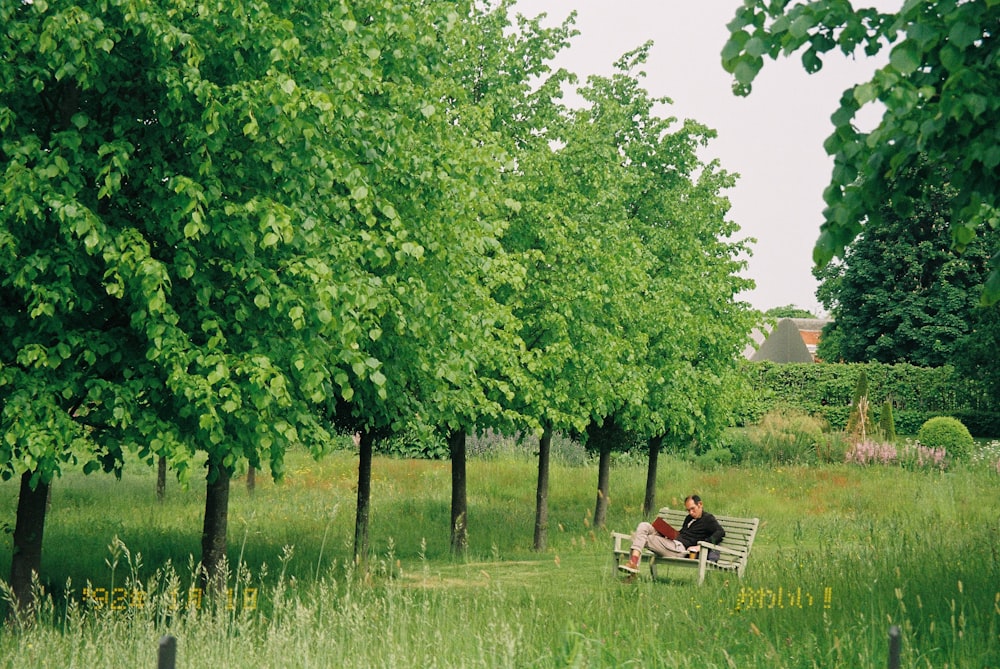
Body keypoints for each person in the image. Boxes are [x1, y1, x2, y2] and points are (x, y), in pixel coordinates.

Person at [618, 494, 725, 574]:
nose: (691, 513)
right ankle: (633, 563)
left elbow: (720, 532)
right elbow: (683, 534)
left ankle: (632, 569)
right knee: (644, 525)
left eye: (693, 509)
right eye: (688, 510)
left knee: (642, 538)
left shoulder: (708, 519)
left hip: (680, 549)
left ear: (700, 504)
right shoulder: (689, 518)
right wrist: (666, 533)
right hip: (672, 542)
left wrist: (700, 546)